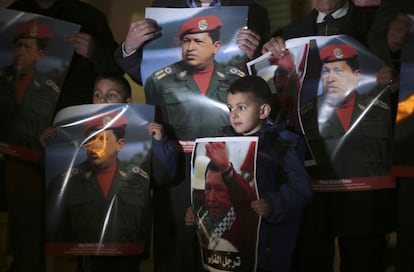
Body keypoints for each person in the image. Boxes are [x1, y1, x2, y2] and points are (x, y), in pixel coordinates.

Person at [186, 75, 313, 272]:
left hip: (268, 244)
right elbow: (212, 188)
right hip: (229, 247)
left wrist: (273, 204)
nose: (234, 114)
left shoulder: (283, 142)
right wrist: (197, 209)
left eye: (241, 107)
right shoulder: (220, 143)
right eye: (230, 108)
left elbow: (302, 189)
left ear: (263, 110)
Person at [296, 43, 395, 272]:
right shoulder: (305, 114)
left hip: (365, 210)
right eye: (326, 71)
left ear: (357, 76)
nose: (330, 77)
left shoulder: (379, 107)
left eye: (338, 71)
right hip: (319, 209)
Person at [45, 108, 177, 272]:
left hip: (127, 262)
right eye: (91, 139)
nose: (95, 145)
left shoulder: (139, 178)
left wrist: (159, 142)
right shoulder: (64, 182)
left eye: (103, 139)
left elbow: (164, 177)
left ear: (120, 144)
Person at [0, 20, 57, 272]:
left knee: (27, 236)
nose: (20, 51)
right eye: (18, 46)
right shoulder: (2, 78)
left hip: (28, 167)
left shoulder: (49, 89)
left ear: (40, 54)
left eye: (27, 46)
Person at [114, 0, 269, 85]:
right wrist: (130, 48)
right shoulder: (162, 8)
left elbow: (268, 78)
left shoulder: (254, 13)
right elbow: (148, 78)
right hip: (173, 126)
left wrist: (254, 57)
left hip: (232, 121)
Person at [8, 0, 123, 110]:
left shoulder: (90, 18)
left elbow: (116, 70)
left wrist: (94, 51)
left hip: (67, 116)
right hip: (11, 114)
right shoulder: (12, 14)